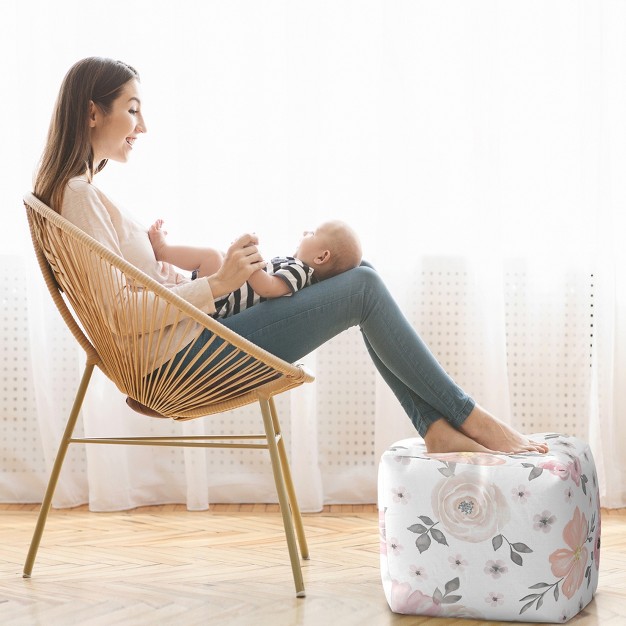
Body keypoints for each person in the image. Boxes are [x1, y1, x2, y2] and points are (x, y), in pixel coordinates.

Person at [33, 57, 548, 455]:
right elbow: (121, 317)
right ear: (92, 110)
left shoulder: (83, 194)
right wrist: (217, 284)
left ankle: (438, 427)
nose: (141, 127)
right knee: (363, 288)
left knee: (360, 273)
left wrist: (185, 269)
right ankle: (466, 417)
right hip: (178, 363)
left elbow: (129, 295)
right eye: (133, 109)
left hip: (187, 343)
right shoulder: (78, 196)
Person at [147, 218, 362, 318]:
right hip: (227, 295)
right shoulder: (297, 269)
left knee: (212, 256)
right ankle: (177, 271)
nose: (306, 231)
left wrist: (249, 260)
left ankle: (163, 251)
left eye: (313, 233)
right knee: (219, 257)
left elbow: (268, 288)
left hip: (224, 305)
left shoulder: (301, 272)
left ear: (322, 257)